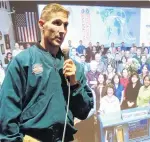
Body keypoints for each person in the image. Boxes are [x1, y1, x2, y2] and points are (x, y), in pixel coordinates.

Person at [0, 3, 93, 141]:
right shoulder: (23, 62)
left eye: (65, 25)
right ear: (41, 24)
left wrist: (74, 83)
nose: (62, 30)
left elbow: (84, 112)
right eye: (56, 23)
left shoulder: (74, 67)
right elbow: (7, 116)